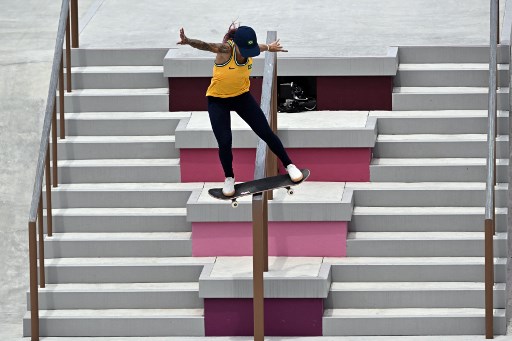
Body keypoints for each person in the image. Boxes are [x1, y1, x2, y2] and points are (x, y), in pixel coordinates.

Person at [177, 24, 303, 196]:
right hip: (218, 100)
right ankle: (229, 178)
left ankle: (289, 165)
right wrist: (188, 41)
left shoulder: (252, 48)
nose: (247, 54)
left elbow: (260, 47)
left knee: (265, 132)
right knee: (225, 141)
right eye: (243, 50)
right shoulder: (225, 50)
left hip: (241, 97)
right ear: (235, 45)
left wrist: (270, 47)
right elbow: (205, 45)